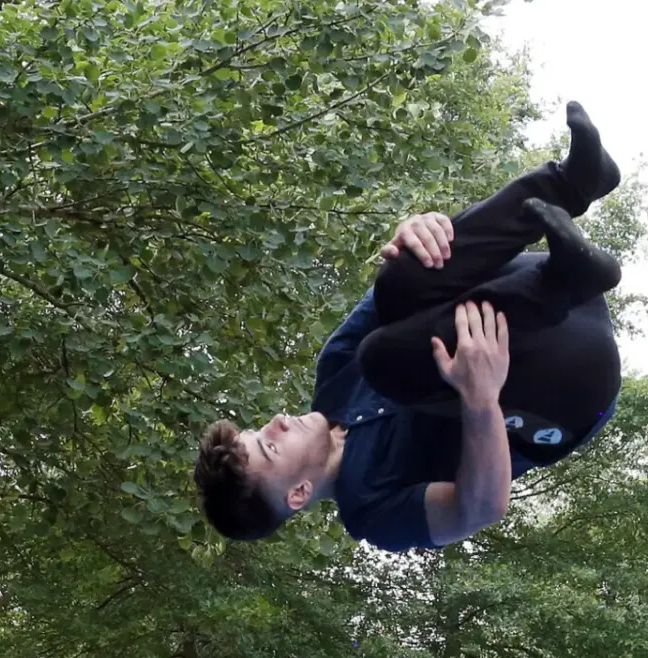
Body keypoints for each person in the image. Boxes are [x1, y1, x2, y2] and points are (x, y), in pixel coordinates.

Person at [193, 103, 625, 552]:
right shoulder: (372, 512)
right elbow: (477, 509)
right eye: (270, 448)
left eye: (259, 428)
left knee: (397, 283)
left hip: (555, 290)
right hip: (567, 387)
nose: (278, 422)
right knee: (384, 361)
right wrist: (480, 399)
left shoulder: (335, 374)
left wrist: (417, 232)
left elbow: (404, 282)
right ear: (298, 493)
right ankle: (562, 279)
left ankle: (573, 183)